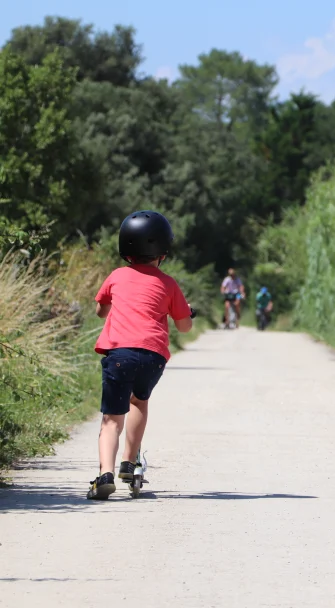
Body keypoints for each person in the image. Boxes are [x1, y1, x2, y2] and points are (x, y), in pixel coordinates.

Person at [87, 210, 195, 500]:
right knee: (139, 401)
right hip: (152, 357)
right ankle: (129, 462)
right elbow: (184, 327)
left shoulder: (116, 276)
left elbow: (100, 310)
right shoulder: (169, 283)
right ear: (162, 252)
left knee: (112, 418)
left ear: (126, 248)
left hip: (119, 352)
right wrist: (187, 315)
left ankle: (105, 475)